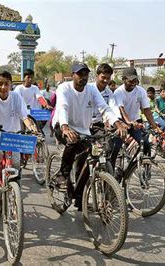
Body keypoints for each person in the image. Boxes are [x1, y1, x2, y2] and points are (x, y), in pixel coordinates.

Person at [52, 63, 127, 211]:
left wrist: (117, 123)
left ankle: (79, 198)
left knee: (88, 159)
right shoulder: (64, 88)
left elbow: (104, 107)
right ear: (73, 75)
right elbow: (63, 107)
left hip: (84, 130)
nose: (83, 78)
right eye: (80, 74)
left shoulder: (91, 89)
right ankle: (62, 174)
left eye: (86, 75)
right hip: (63, 125)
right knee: (72, 142)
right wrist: (65, 126)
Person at [0, 71, 38, 190]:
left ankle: (13, 191)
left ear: (11, 85)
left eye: (7, 84)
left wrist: (31, 126)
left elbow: (24, 116)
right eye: (0, 84)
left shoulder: (16, 97)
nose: (4, 87)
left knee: (16, 163)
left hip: (12, 136)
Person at [109, 67, 161, 168]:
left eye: (135, 80)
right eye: (130, 80)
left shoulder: (141, 91)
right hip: (121, 122)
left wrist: (154, 126)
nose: (133, 83)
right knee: (116, 147)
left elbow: (146, 110)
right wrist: (128, 122)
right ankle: (111, 171)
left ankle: (146, 169)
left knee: (145, 144)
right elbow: (121, 109)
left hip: (135, 122)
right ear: (124, 79)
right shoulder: (118, 92)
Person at [90, 63, 115, 129]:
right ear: (97, 76)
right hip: (85, 124)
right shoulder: (88, 89)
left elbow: (113, 108)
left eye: (108, 78)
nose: (106, 80)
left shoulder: (109, 93)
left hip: (99, 124)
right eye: (103, 77)